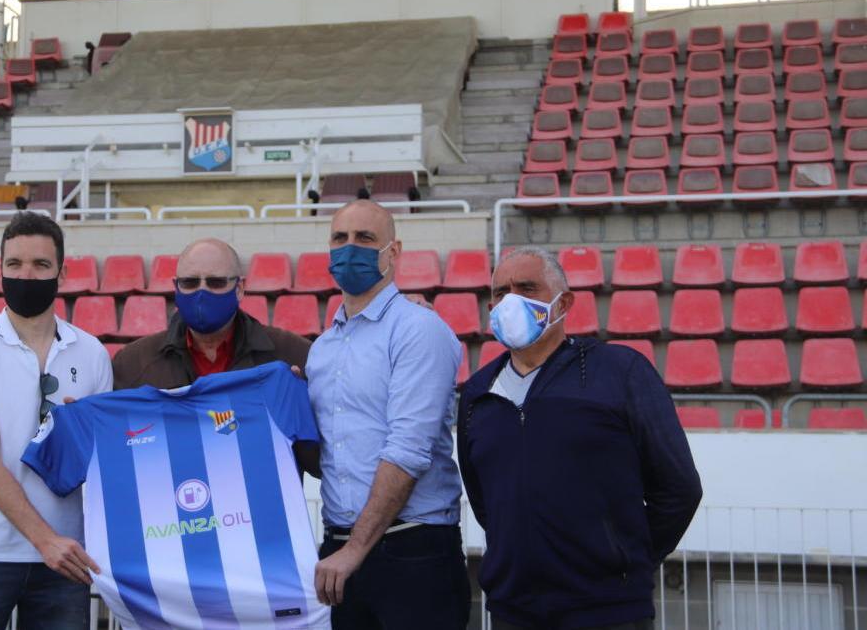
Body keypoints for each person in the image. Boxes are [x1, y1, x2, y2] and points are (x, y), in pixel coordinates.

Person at [458, 246, 703, 630]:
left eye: (527, 287)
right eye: (501, 292)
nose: (511, 301)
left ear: (563, 303)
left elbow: (679, 489)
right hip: (512, 612)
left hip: (609, 612)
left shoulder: (620, 372)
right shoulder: (477, 393)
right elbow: (485, 502)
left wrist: (623, 559)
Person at [0, 212, 113, 630]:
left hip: (65, 558)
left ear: (62, 273)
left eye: (40, 265)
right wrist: (45, 540)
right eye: (14, 265)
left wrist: (81, 434)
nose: (26, 275)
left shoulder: (92, 354)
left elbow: (104, 463)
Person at [305, 199, 470, 629]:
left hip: (411, 549)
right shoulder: (322, 350)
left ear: (392, 253)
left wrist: (356, 549)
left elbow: (408, 449)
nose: (349, 248)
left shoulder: (418, 329)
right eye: (339, 238)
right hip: (340, 550)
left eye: (365, 238)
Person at [111, 237, 311, 390]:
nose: (202, 292)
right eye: (190, 283)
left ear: (240, 288)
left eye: (216, 282)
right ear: (176, 287)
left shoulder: (294, 355)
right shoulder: (132, 364)